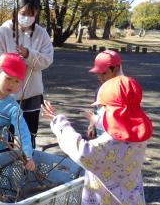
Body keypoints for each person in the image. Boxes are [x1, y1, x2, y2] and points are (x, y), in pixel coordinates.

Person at [42, 76, 153, 205]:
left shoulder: (107, 144)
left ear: (114, 111)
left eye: (104, 107)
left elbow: (80, 151)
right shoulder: (138, 135)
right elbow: (123, 122)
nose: (101, 110)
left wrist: (59, 122)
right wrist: (97, 121)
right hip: (134, 199)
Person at [0, 0, 54, 148]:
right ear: (16, 11)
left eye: (31, 14)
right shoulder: (4, 30)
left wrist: (29, 54)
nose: (27, 17)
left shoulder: (41, 33)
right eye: (23, 13)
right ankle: (5, 165)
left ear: (36, 13)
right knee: (6, 135)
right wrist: (10, 65)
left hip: (31, 94)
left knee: (29, 134)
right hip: (7, 93)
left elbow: (47, 59)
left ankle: (27, 165)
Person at [84, 50, 124, 139]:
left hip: (116, 137)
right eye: (98, 74)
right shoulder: (100, 89)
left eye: (104, 73)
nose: (101, 78)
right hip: (100, 135)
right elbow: (97, 110)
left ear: (116, 69)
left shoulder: (123, 89)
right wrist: (92, 124)